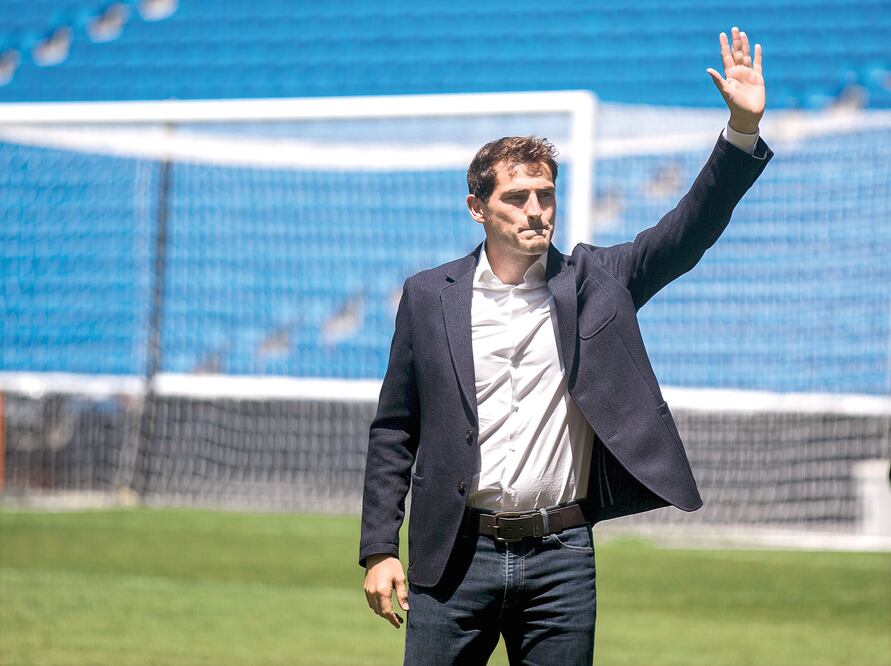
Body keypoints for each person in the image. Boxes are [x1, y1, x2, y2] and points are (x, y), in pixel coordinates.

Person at [361, 26, 772, 665]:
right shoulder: (426, 296)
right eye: (516, 197)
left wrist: (740, 131)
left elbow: (687, 232)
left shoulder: (595, 281)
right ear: (478, 206)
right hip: (454, 557)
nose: (535, 210)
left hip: (561, 560)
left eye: (545, 195)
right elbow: (394, 429)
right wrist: (380, 547)